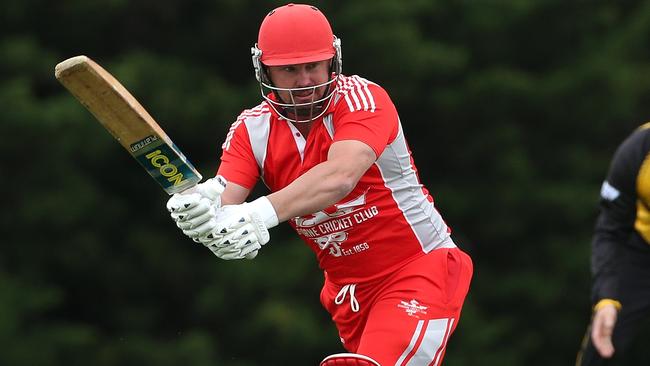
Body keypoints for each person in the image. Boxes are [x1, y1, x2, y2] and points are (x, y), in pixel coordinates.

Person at [166, 4, 473, 365]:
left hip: (419, 268)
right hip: (347, 297)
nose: (305, 80)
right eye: (289, 70)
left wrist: (260, 213)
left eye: (313, 65)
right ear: (265, 71)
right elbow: (226, 203)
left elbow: (340, 175)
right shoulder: (252, 129)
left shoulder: (364, 100)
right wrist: (202, 214)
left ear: (333, 60)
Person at [576, 123, 650, 365]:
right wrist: (606, 298)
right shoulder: (638, 150)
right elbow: (610, 231)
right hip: (642, 250)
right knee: (602, 341)